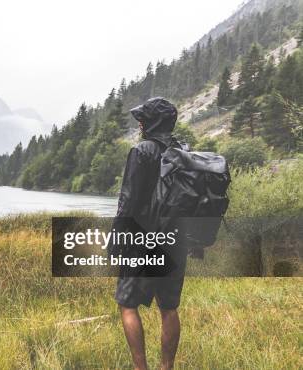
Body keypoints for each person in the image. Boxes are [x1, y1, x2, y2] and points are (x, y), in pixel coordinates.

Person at [111, 97, 188, 370]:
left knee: (127, 304)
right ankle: (166, 368)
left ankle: (140, 368)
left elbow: (128, 201)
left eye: (143, 119)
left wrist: (116, 239)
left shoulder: (142, 151)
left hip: (143, 242)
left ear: (152, 123)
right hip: (176, 242)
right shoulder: (183, 152)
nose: (140, 123)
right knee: (168, 307)